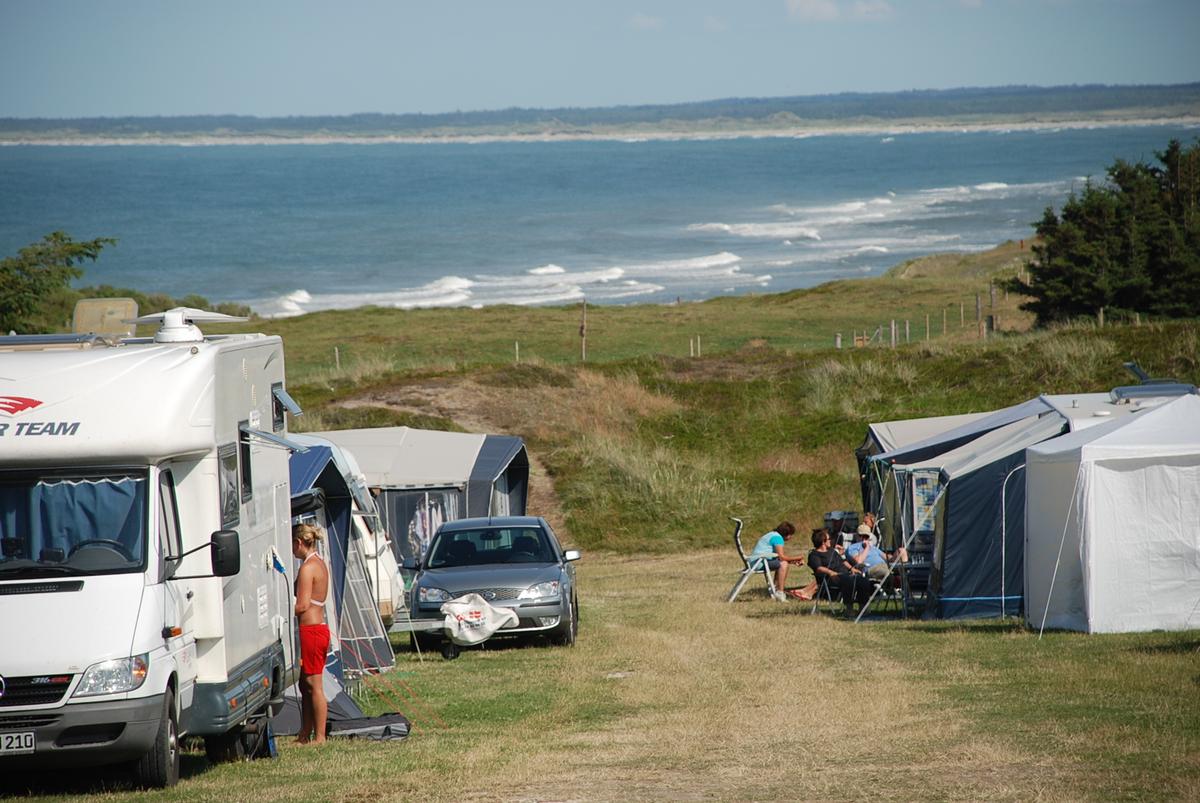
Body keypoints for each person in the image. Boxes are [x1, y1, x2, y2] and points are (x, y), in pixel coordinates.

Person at [292, 522, 331, 745]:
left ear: (299, 543)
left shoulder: (307, 568)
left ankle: (320, 737)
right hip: (316, 630)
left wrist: (285, 609)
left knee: (315, 685)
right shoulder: (318, 563)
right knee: (304, 684)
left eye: (292, 544)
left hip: (312, 631)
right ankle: (305, 733)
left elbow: (303, 605)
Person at [807, 528, 872, 609]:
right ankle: (849, 608)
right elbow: (818, 568)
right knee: (849, 581)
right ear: (823, 542)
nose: (830, 541)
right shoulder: (814, 555)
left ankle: (863, 608)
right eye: (829, 539)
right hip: (829, 578)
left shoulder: (832, 551)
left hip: (844, 574)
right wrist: (831, 573)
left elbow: (843, 561)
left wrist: (852, 569)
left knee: (863, 580)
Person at [747, 522, 811, 601]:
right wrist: (798, 558)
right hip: (759, 562)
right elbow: (782, 557)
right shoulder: (778, 538)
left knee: (782, 563)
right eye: (791, 535)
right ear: (787, 534)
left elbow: (778, 558)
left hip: (755, 562)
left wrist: (793, 561)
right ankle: (780, 592)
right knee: (783, 564)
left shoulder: (772, 535)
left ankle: (776, 589)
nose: (791, 537)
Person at [846, 515, 907, 582]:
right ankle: (893, 588)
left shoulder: (873, 548)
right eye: (861, 536)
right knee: (888, 574)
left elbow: (887, 558)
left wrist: (897, 554)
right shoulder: (853, 547)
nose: (863, 539)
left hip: (885, 565)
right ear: (857, 536)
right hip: (871, 569)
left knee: (902, 551)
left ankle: (905, 580)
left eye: (866, 537)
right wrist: (866, 548)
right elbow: (859, 561)